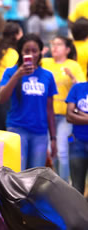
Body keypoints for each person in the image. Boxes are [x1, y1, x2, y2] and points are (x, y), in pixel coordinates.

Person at [0, 34, 58, 170]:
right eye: (27, 51)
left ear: (40, 52)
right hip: (17, 128)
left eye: (35, 51)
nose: (31, 54)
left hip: (40, 133)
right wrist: (17, 75)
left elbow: (50, 109)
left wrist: (53, 137)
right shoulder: (11, 72)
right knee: (18, 173)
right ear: (21, 52)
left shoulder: (47, 75)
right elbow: (2, 98)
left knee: (36, 175)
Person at [41, 35, 86, 182]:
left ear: (67, 49)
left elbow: (82, 88)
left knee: (62, 152)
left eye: (59, 44)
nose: (54, 47)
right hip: (46, 115)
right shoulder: (45, 62)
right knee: (49, 153)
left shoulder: (73, 65)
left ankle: (64, 185)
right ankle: (50, 185)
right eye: (53, 44)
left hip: (64, 116)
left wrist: (73, 79)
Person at [0, 22, 23, 130]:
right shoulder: (12, 53)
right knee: (6, 128)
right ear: (17, 35)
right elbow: (11, 74)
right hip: (6, 93)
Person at [65, 80, 88, 195]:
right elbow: (69, 116)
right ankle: (78, 213)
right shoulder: (77, 88)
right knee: (76, 188)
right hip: (77, 142)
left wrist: (78, 112)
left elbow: (73, 112)